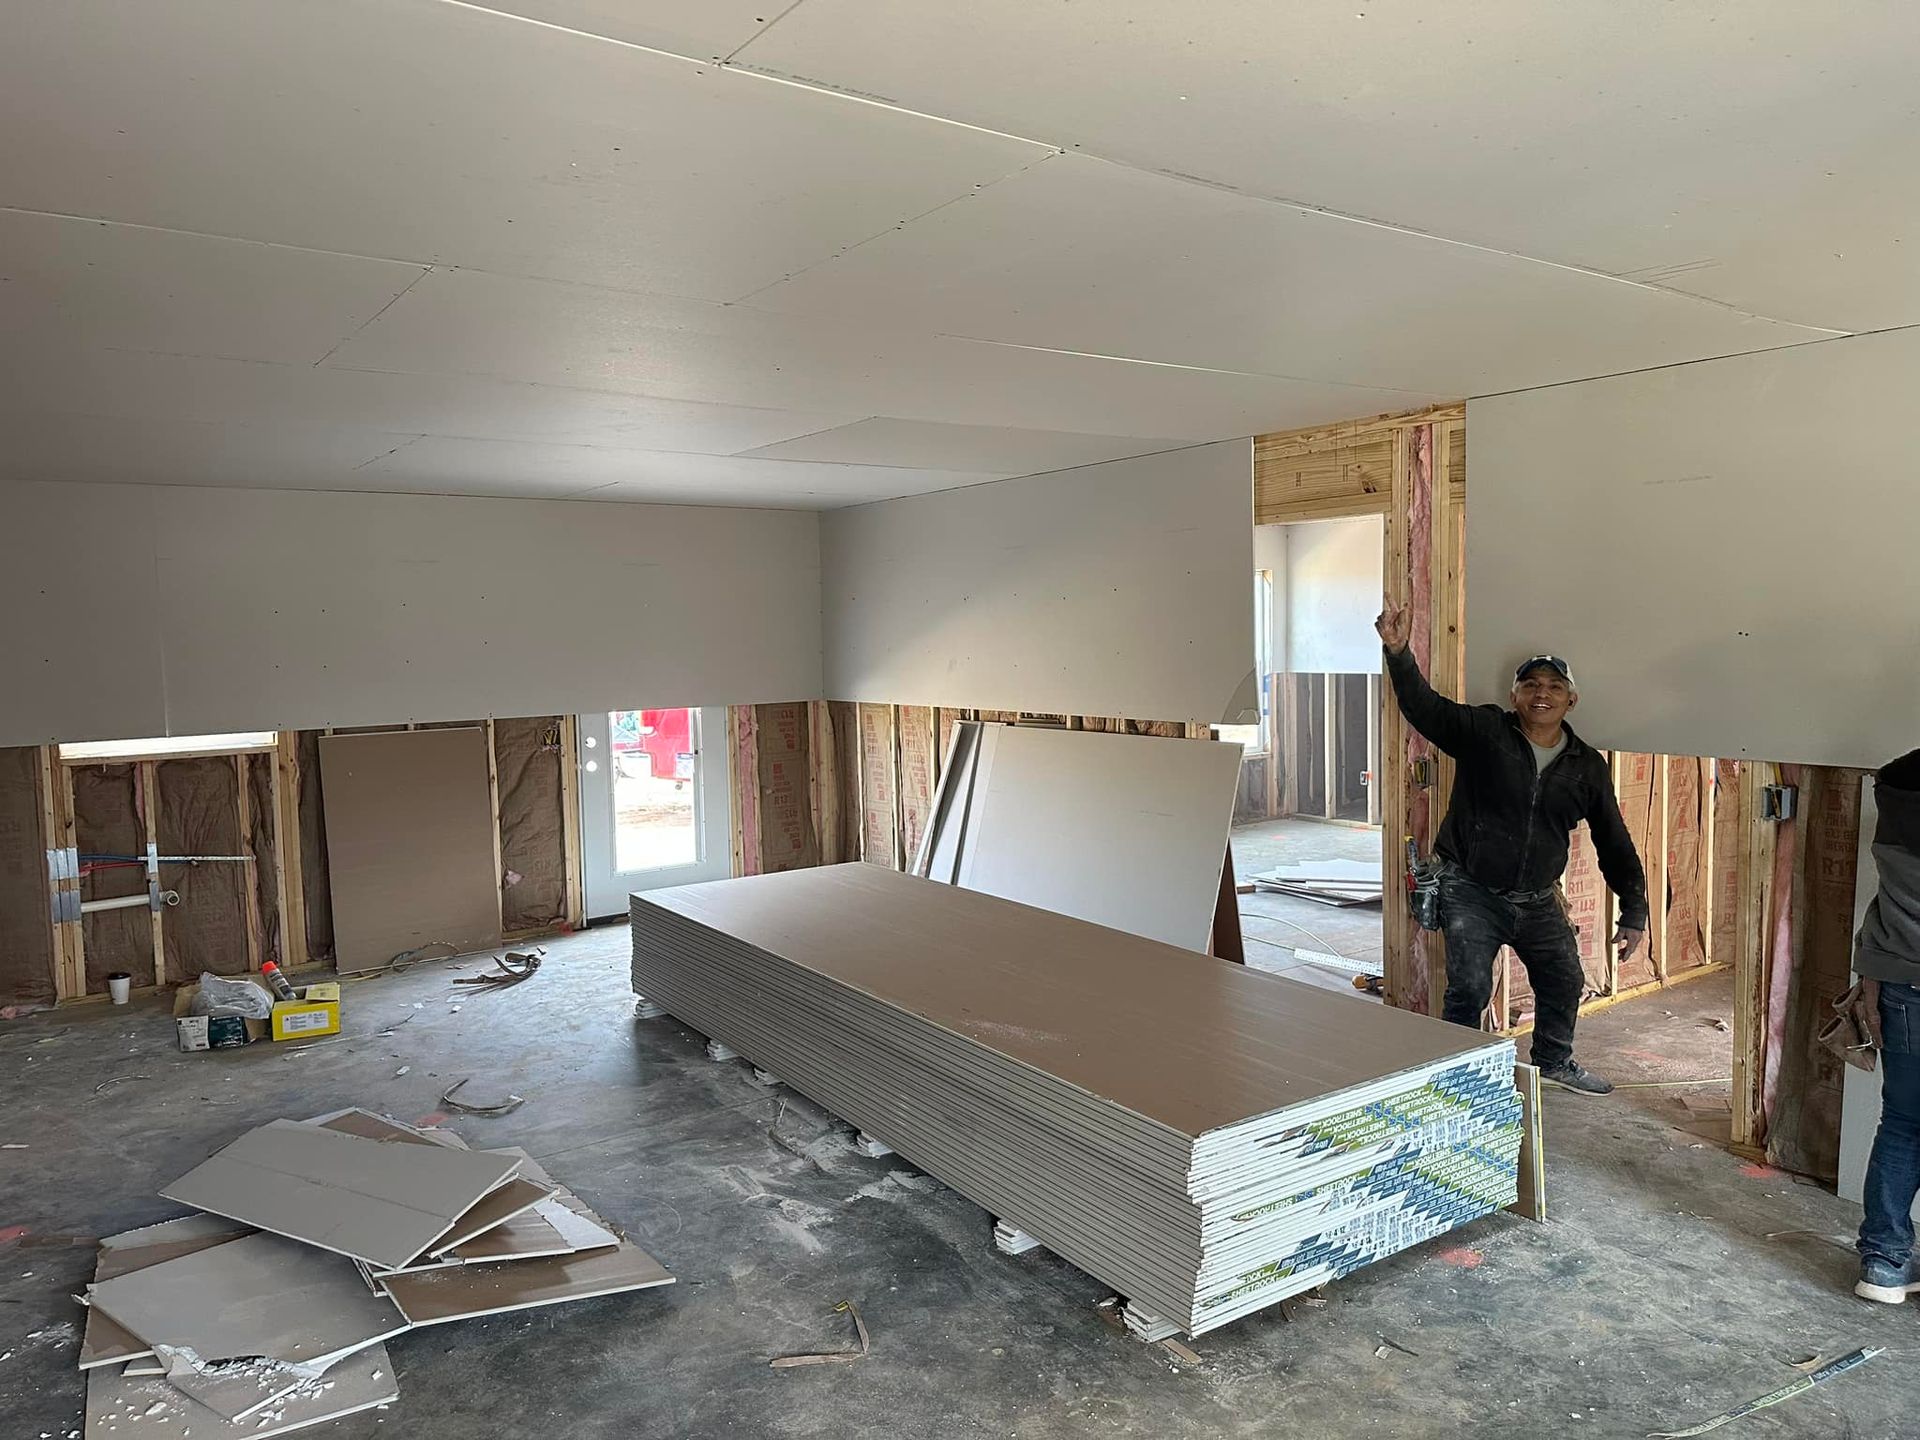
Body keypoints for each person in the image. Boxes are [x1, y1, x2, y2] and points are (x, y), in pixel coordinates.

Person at [1375, 603, 1647, 1094]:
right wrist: (1398, 652)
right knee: (1470, 988)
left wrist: (1634, 911)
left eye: (1554, 687)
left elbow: (1613, 839)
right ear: (1514, 695)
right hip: (1471, 890)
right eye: (1531, 685)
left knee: (1564, 978)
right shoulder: (1485, 732)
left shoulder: (1586, 766)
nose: (1542, 694)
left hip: (1538, 898)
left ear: (1571, 700)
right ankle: (1456, 1075)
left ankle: (1553, 1062)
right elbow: (1425, 708)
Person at [1852, 749, 1920, 1304]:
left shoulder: (1897, 786)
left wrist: (1870, 970)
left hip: (1904, 987)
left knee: (1901, 1122)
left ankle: (1884, 1262)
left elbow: (1883, 904)